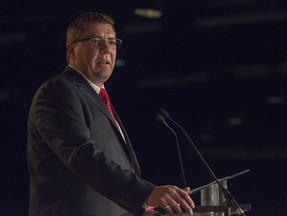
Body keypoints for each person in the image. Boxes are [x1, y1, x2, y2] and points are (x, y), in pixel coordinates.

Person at [27, 11, 195, 216]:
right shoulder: (58, 91)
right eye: (96, 41)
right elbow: (81, 156)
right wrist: (145, 192)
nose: (107, 49)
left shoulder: (98, 98)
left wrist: (143, 209)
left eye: (112, 42)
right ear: (71, 51)